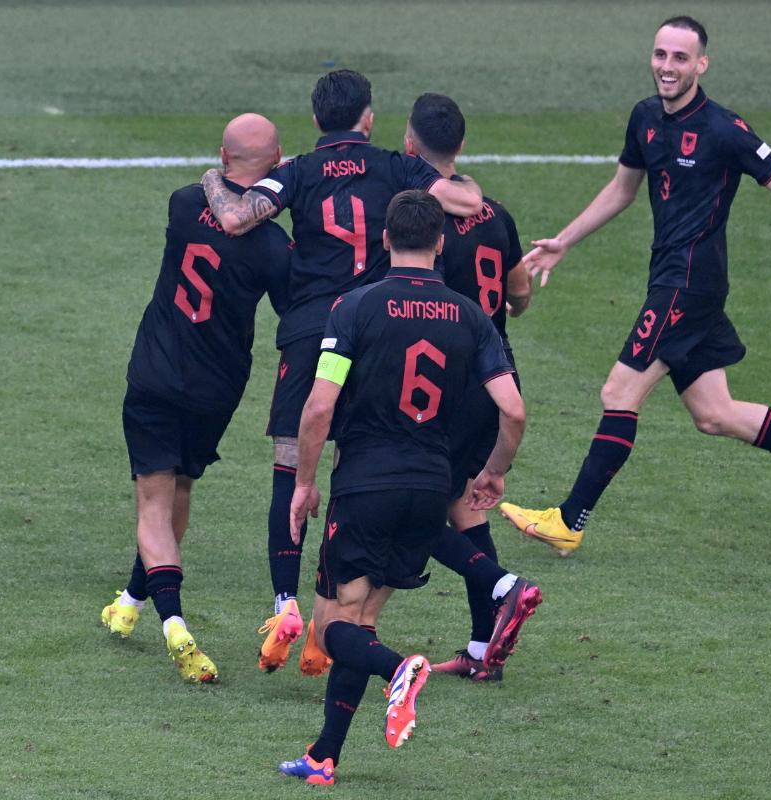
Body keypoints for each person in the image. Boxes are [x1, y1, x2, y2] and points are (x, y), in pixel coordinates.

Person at [500, 16, 771, 556]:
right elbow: (622, 189)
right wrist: (565, 240)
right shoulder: (645, 118)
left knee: (618, 393)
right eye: (660, 55)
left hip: (689, 285)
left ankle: (569, 521)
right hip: (674, 279)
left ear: (701, 64)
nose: (667, 67)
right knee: (713, 414)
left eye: (679, 58)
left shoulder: (724, 129)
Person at [199, 70, 484, 673]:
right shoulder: (393, 165)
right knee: (355, 464)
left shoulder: (299, 170)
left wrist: (211, 178)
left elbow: (236, 217)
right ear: (369, 118)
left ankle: (286, 605)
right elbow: (466, 201)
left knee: (289, 459)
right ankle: (342, 620)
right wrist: (431, 185)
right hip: (374, 327)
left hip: (309, 332)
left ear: (316, 121)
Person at [277, 191, 525, 785]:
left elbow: (318, 408)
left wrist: (304, 484)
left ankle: (398, 670)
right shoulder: (469, 315)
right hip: (430, 488)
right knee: (358, 620)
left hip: (365, 487)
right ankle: (324, 756)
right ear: (440, 244)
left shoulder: (354, 309)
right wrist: (493, 470)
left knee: (331, 628)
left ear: (386, 239)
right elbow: (513, 411)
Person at [99, 114, 291, 683]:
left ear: (222, 155)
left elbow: (213, 188)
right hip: (216, 389)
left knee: (153, 507)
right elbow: (290, 308)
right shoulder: (275, 248)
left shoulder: (185, 203)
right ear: (279, 163)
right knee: (180, 486)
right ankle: (131, 601)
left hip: (157, 375)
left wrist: (217, 174)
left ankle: (174, 625)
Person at [403, 93, 541, 682]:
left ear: (410, 144)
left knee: (409, 512)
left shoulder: (419, 221)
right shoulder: (499, 214)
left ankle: (505, 587)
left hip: (445, 388)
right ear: (460, 147)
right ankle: (484, 648)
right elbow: (520, 295)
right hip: (497, 375)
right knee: (464, 506)